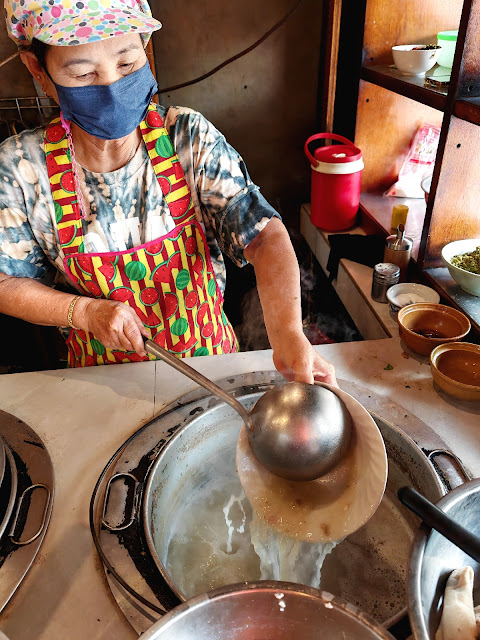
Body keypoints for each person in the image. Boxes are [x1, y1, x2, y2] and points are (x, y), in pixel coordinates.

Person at [0, 0, 336, 385]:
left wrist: (289, 334)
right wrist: (86, 313)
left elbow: (263, 235)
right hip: (100, 390)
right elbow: (5, 282)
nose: (112, 87)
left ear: (143, 45)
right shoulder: (21, 169)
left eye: (126, 64)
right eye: (83, 74)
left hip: (211, 371)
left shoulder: (187, 138)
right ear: (38, 71)